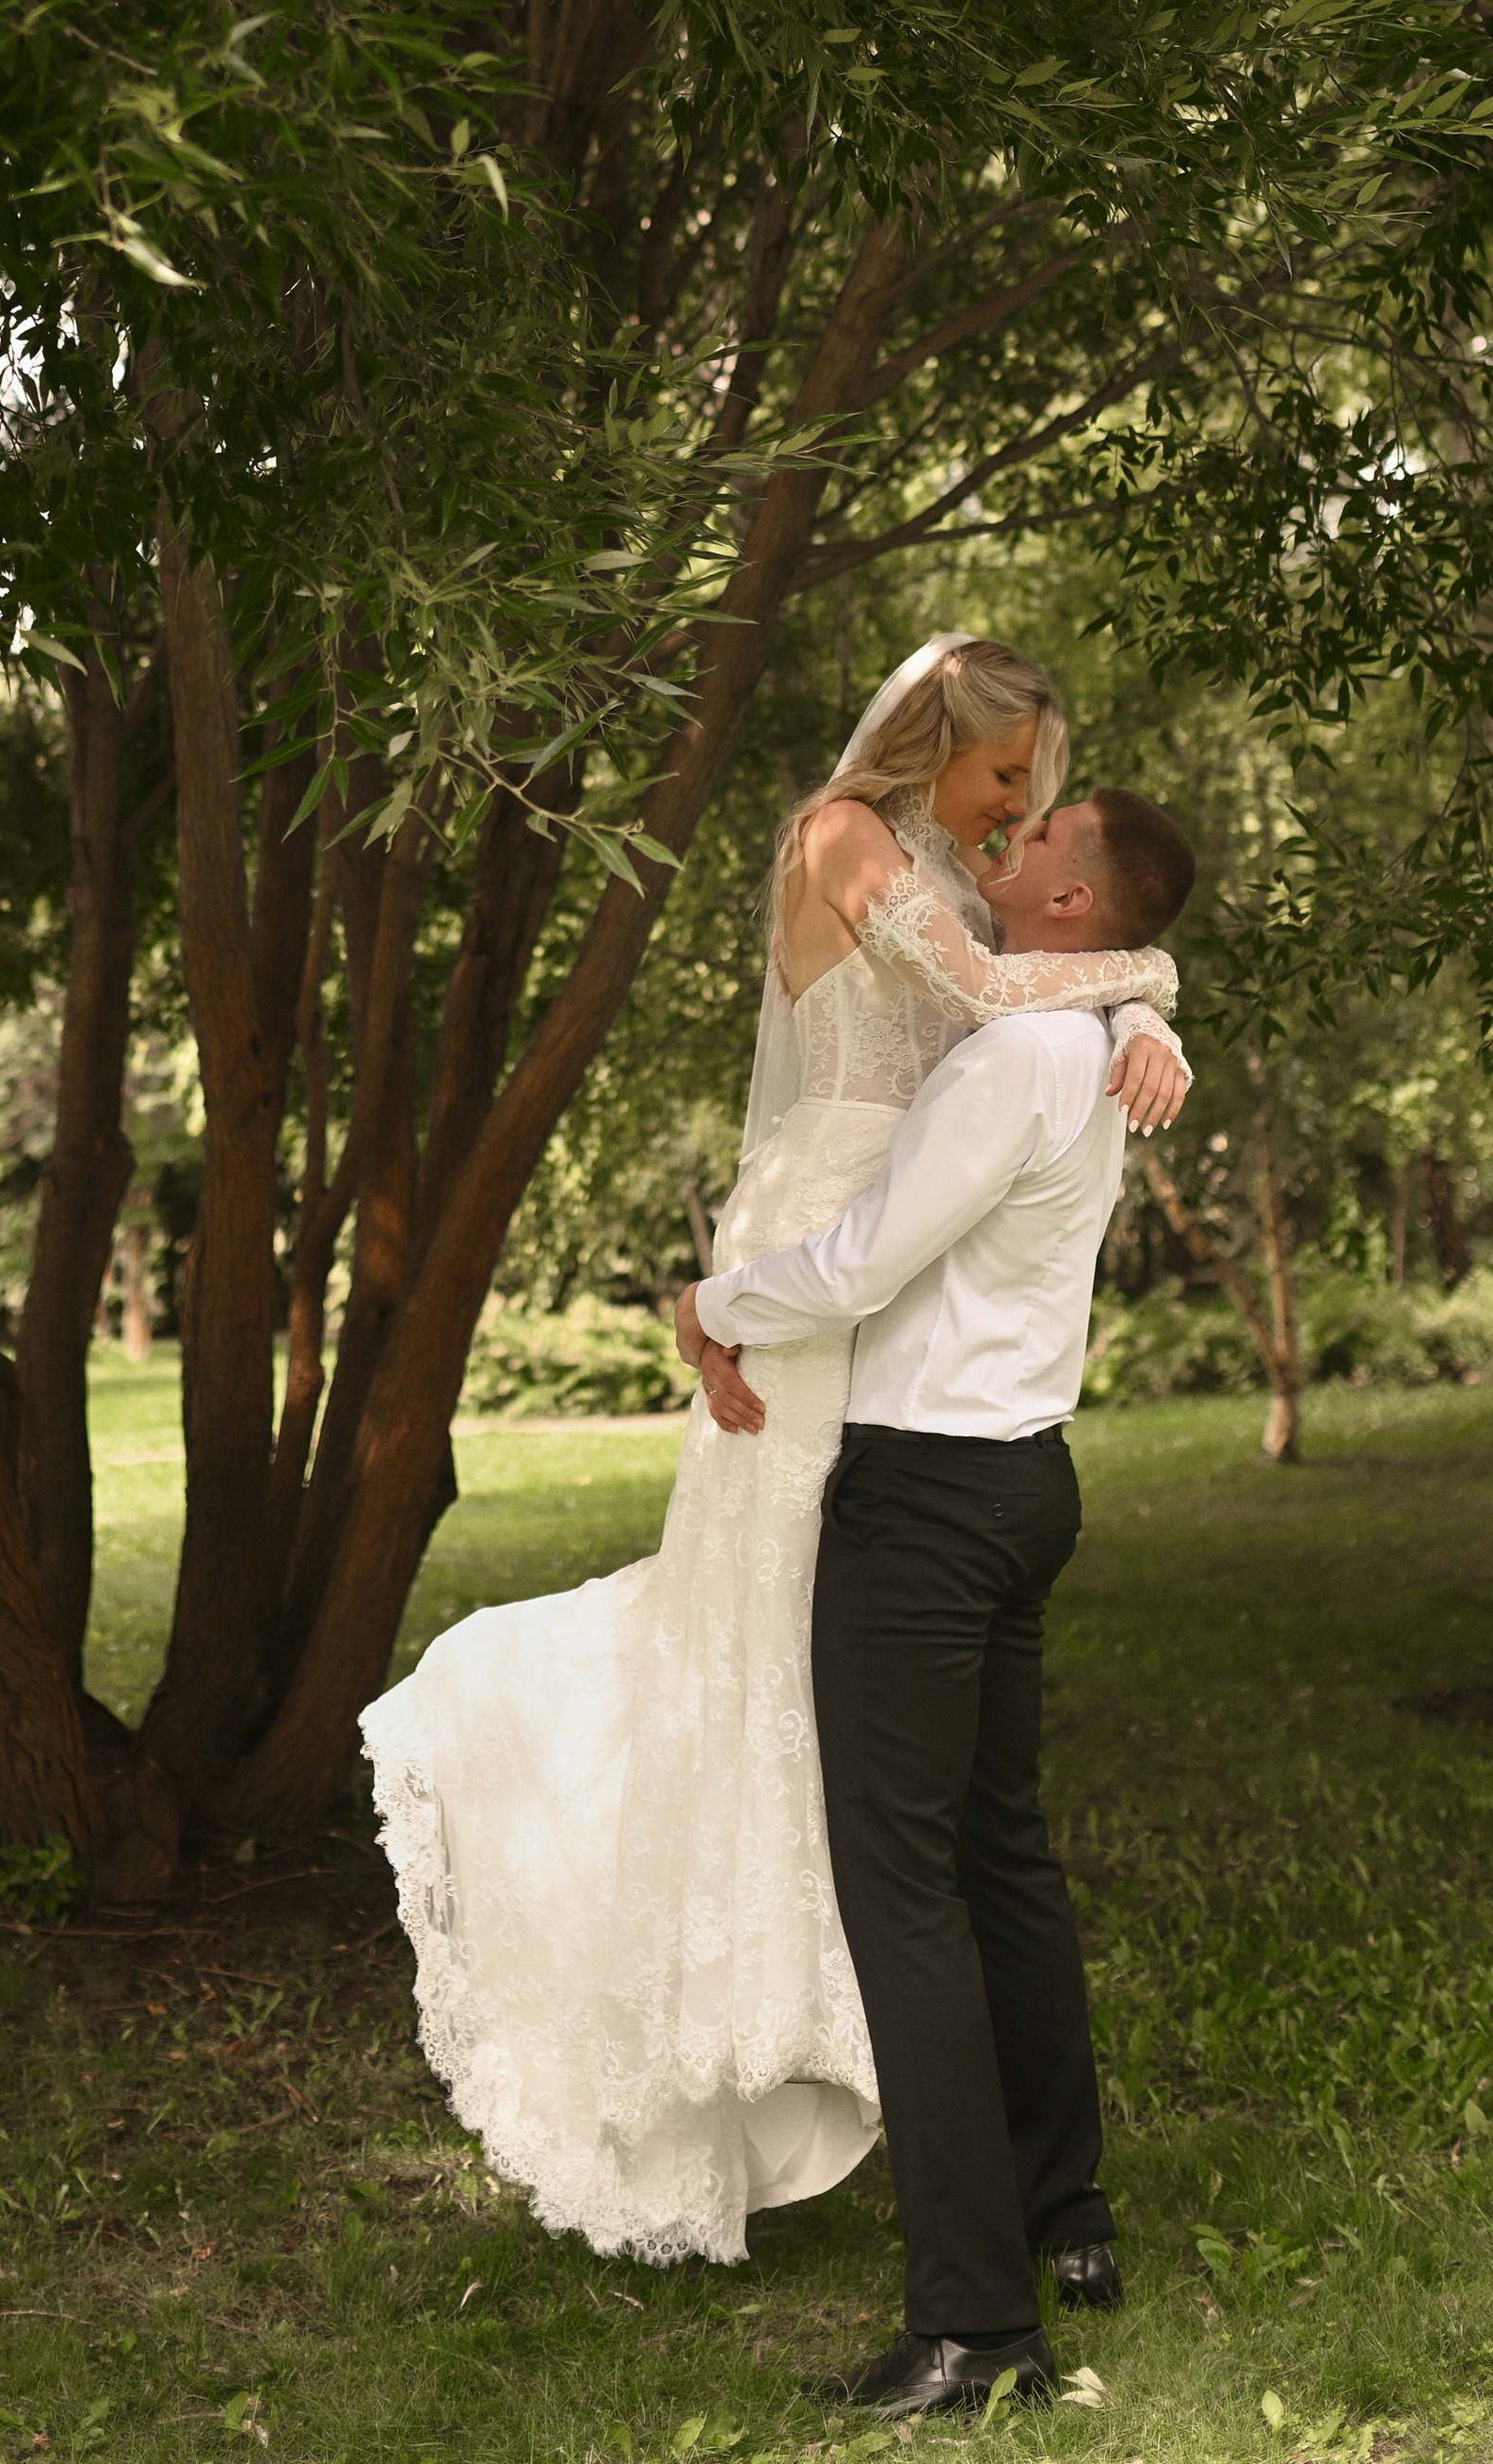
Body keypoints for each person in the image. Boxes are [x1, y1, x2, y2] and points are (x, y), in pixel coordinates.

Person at [360, 636, 1190, 2270]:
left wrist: (1153, 1004)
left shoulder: (966, 875)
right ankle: (734, 2079)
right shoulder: (840, 836)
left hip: (890, 1281)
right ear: (932, 739)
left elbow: (1043, 982)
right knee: (760, 1673)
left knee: (882, 1756)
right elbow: (1004, 989)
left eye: (1031, 790)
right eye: (1004, 772)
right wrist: (1146, 984)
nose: (1014, 807)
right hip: (825, 1258)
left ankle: (962, 2161)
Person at [681, 781, 1199, 2419]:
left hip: (925, 1504)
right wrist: (1152, 998)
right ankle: (1069, 2218)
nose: (1011, 843)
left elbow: (865, 1260)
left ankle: (977, 2326)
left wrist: (714, 1299)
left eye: (1042, 837)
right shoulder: (1101, 1040)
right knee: (1000, 1858)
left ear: (1067, 908)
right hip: (1024, 1481)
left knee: (904, 1895)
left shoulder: (1016, 1056)